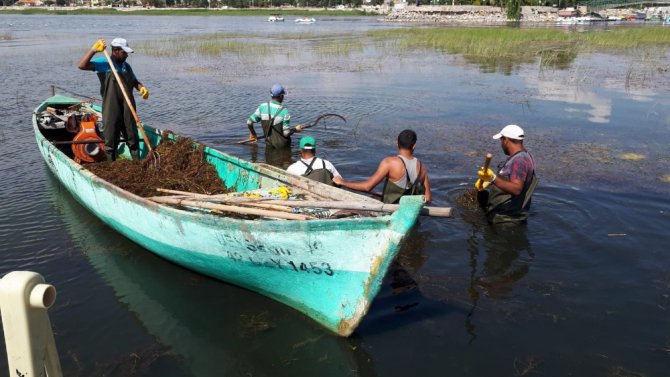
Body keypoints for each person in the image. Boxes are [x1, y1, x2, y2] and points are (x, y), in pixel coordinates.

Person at [78, 38, 149, 161]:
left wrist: (141, 88)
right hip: (112, 108)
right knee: (111, 141)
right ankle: (112, 165)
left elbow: (134, 81)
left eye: (127, 53)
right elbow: (82, 65)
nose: (126, 55)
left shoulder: (127, 66)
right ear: (115, 51)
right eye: (124, 52)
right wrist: (93, 50)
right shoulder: (104, 63)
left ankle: (137, 165)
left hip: (128, 106)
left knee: (132, 137)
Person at [333, 129, 431, 204]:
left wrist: (343, 182)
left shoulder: (389, 162)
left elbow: (367, 187)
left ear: (396, 143)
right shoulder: (422, 167)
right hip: (409, 213)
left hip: (390, 212)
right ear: (414, 146)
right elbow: (428, 198)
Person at [475, 124, 538, 224]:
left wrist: (492, 178)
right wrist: (489, 182)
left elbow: (516, 189)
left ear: (506, 140)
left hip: (506, 220)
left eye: (501, 140)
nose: (501, 144)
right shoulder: (526, 155)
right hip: (514, 215)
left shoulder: (519, 160)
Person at [247, 84, 303, 150]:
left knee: (269, 160)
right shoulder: (284, 111)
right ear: (281, 96)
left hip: (269, 145)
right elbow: (286, 133)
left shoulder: (262, 107)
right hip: (283, 147)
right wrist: (295, 129)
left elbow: (249, 122)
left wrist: (253, 134)